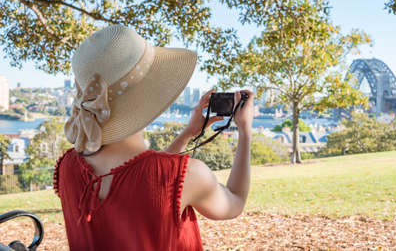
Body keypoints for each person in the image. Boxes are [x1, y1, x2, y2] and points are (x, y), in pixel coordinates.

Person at [53, 25, 254, 251]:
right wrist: (245, 131)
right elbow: (234, 202)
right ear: (148, 94)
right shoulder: (188, 175)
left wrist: (187, 134)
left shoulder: (67, 167)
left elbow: (138, 184)